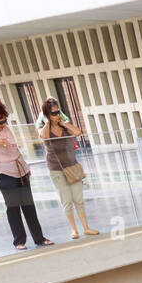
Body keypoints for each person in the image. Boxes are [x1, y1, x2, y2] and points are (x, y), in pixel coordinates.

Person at [0, 99, 53, 250]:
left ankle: (39, 238)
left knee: (29, 205)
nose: (2, 125)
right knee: (13, 206)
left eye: (4, 121)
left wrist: (25, 167)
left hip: (20, 169)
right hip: (3, 172)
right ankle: (19, 240)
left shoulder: (6, 129)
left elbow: (15, 149)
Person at [38, 98, 99, 237]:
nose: (57, 115)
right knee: (66, 201)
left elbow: (78, 132)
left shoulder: (64, 126)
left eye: (58, 112)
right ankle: (74, 230)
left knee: (78, 199)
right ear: (47, 115)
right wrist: (48, 122)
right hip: (56, 169)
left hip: (72, 166)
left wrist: (63, 123)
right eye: (53, 113)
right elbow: (45, 136)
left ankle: (85, 227)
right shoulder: (43, 128)